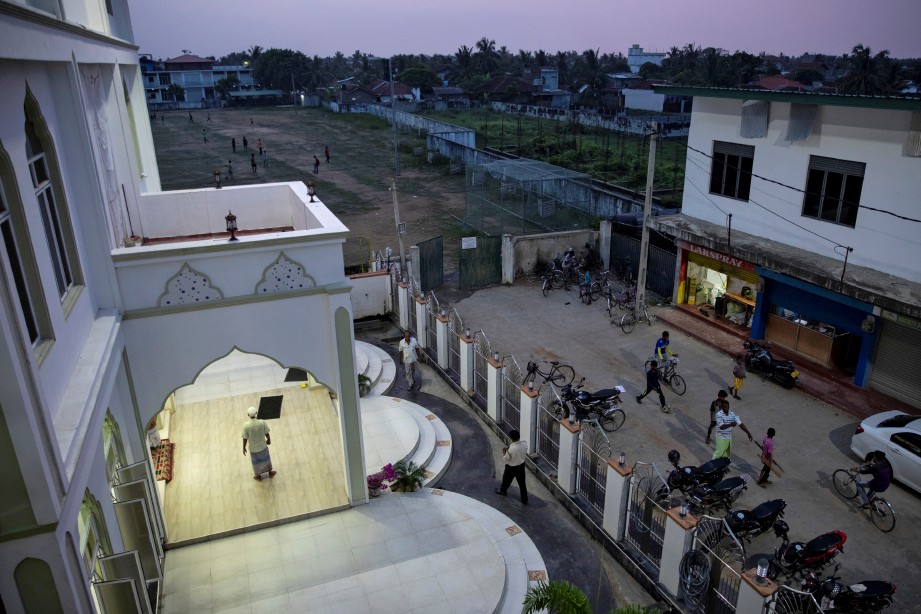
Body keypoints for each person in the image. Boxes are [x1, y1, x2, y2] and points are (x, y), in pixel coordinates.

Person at [495, 429, 528, 504]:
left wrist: (504, 451)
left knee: (506, 480)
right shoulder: (524, 443)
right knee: (522, 484)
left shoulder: (512, 449)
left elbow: (506, 459)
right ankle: (524, 499)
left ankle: (503, 491)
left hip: (511, 467)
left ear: (512, 438)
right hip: (521, 466)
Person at [242, 407, 276, 480]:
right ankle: (270, 473)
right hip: (263, 446)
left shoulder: (246, 425)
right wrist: (269, 439)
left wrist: (243, 447)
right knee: (266, 459)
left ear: (248, 414)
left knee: (256, 462)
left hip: (253, 448)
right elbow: (266, 432)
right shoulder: (262, 422)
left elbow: (245, 438)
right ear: (256, 413)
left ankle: (258, 476)